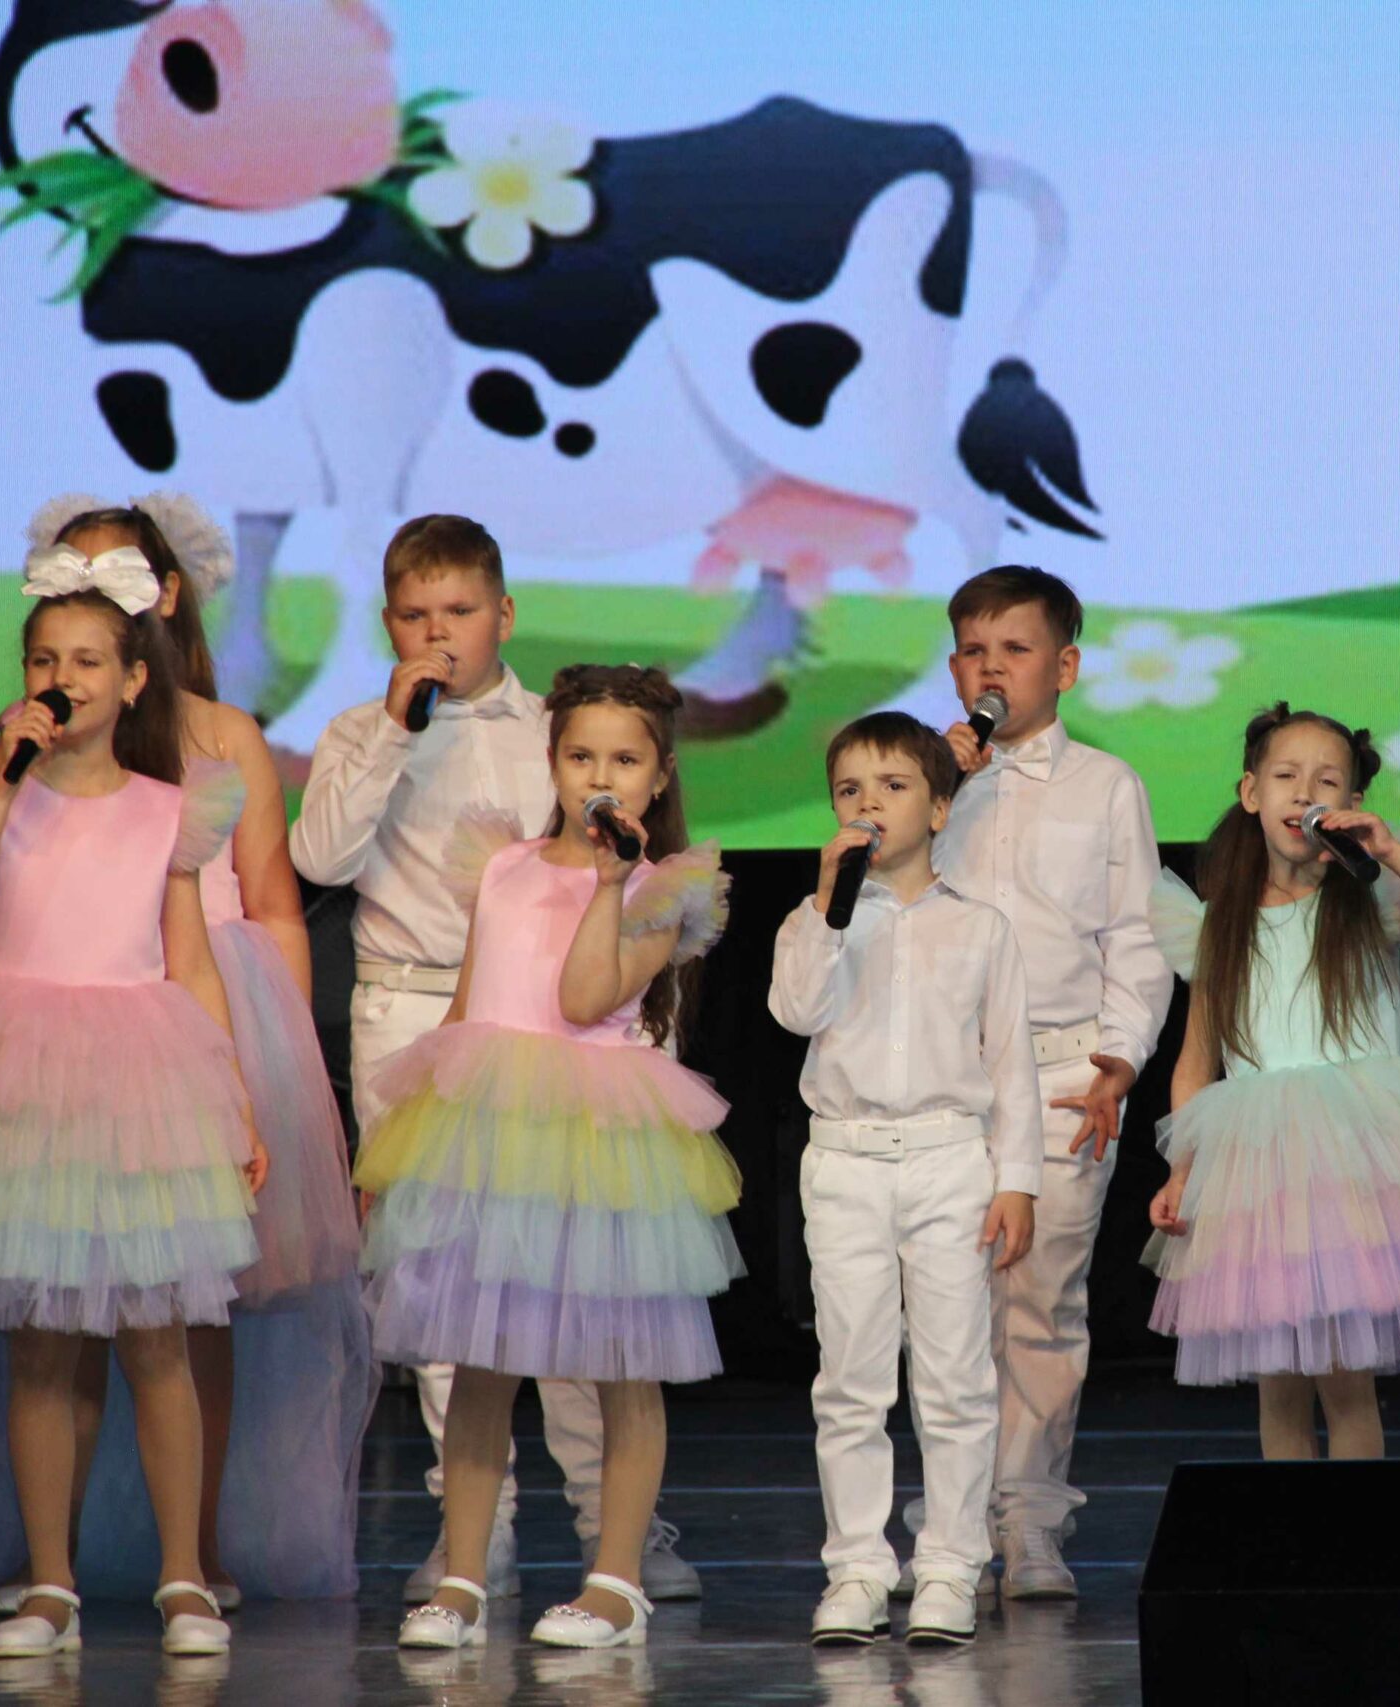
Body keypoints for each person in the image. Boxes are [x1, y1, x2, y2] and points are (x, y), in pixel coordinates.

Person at [0, 497, 371, 1614]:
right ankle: (56, 1559)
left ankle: (198, 1552)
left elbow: (274, 906)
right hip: (72, 1014)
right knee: (57, 1305)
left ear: (160, 603)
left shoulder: (220, 736)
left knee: (191, 1306)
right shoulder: (34, 748)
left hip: (204, 1011)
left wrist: (278, 1067)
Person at [291, 516, 697, 1599]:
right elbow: (319, 857)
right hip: (414, 1012)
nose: (439, 633)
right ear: (387, 624)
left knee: (576, 1284)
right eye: (414, 616)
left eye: (460, 612)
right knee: (450, 1290)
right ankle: (473, 1532)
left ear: (503, 614)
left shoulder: (556, 734)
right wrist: (394, 730)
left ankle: (610, 1527)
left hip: (562, 1023)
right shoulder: (361, 730)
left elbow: (594, 888)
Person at [0, 559, 261, 1657]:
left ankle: (184, 1576)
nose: (65, 677)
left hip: (139, 1084)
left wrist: (234, 1105)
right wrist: (3, 783)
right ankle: (49, 1581)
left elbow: (192, 968)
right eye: (45, 659)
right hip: (21, 1085)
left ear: (134, 680)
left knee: (157, 1340)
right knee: (43, 1347)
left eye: (89, 660)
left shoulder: (170, 812)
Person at [363, 664, 739, 1652]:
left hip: (596, 1142)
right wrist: (410, 1148)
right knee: (480, 1363)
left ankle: (616, 1583)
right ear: (552, 760)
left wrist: (609, 883)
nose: (599, 778)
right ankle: (462, 1578)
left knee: (622, 1365)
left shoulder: (661, 891)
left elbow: (581, 1000)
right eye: (580, 757)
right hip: (491, 1137)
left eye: (623, 760)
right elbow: (464, 1011)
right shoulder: (501, 865)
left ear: (659, 775)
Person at [1143, 704, 1400, 1450]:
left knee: (1345, 1376)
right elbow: (1196, 1061)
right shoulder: (1218, 924)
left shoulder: (1372, 899)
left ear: (1352, 804)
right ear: (1251, 792)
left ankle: (1352, 1526)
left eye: (1327, 781)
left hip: (1351, 1159)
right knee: (1278, 1383)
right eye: (1285, 775)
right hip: (1259, 1168)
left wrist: (1388, 853)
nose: (1304, 792)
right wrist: (1183, 1171)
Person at [916, 565, 1171, 1598]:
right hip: (942, 1075)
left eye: (1014, 651)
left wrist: (1121, 1057)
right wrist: (937, 790)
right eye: (975, 652)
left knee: (1040, 1300)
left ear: (1063, 666)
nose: (993, 670)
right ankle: (950, 1526)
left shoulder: (1106, 785)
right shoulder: (928, 781)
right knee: (945, 1308)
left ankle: (1028, 1520)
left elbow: (1136, 937)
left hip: (1063, 1068)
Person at [768, 713, 1041, 1649]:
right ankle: (856, 1568)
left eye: (892, 786)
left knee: (955, 1376)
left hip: (947, 1157)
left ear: (939, 807)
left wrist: (1017, 1180)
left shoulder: (980, 926)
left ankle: (951, 1566)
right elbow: (794, 1010)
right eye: (850, 789)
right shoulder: (814, 920)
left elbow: (1011, 1065)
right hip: (845, 1159)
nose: (870, 803)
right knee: (849, 1377)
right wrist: (827, 906)